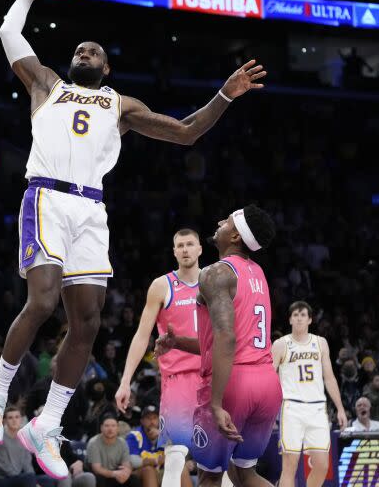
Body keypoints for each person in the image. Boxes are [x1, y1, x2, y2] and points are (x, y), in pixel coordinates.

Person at [0, 0, 267, 480]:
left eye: (94, 51)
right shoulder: (46, 83)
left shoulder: (120, 105)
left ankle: (47, 424)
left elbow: (186, 132)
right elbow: (6, 30)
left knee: (87, 322)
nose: (84, 51)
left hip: (91, 211)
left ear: (106, 68)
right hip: (45, 196)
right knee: (42, 301)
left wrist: (225, 94)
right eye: (78, 48)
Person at [155, 205, 279, 487]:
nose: (220, 221)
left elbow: (227, 339)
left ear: (235, 236)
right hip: (266, 382)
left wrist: (216, 401)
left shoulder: (214, 273)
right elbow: (225, 341)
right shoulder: (257, 272)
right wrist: (178, 343)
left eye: (228, 220)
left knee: (210, 477)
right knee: (246, 475)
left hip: (234, 384)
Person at [115, 229, 203, 487]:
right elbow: (142, 336)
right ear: (174, 251)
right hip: (178, 380)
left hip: (213, 375)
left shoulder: (215, 281)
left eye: (190, 244)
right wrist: (125, 381)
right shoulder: (161, 285)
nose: (185, 249)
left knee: (224, 457)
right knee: (175, 456)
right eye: (180, 245)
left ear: (200, 249)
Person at [271, 301, 348, 487]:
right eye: (295, 315)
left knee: (322, 465)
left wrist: (340, 408)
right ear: (290, 319)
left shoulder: (320, 343)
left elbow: (329, 378)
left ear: (310, 319)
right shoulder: (281, 344)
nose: (299, 318)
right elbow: (270, 380)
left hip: (317, 408)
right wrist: (270, 411)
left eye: (303, 315)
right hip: (291, 407)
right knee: (290, 465)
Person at [0, 407, 36, 487]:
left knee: (49, 479)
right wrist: (28, 478)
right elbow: (4, 467)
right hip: (1, 479)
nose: (14, 420)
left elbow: (27, 464)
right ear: (4, 421)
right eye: (10, 418)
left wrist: (33, 480)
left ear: (21, 419)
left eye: (17, 417)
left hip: (20, 477)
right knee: (28, 478)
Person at [85, 415, 136, 487]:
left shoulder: (122, 442)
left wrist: (126, 472)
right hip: (99, 475)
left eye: (113, 426)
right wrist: (114, 474)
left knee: (133, 479)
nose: (110, 429)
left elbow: (126, 464)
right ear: (101, 428)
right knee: (99, 479)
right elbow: (97, 469)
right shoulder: (94, 442)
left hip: (116, 474)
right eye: (107, 426)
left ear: (118, 428)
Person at [124, 406, 163, 487]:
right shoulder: (134, 435)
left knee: (182, 470)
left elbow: (176, 455)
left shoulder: (165, 436)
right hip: (137, 473)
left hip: (160, 471)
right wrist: (154, 461)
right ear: (142, 421)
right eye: (148, 418)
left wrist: (162, 436)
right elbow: (132, 461)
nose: (152, 421)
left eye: (155, 418)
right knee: (149, 470)